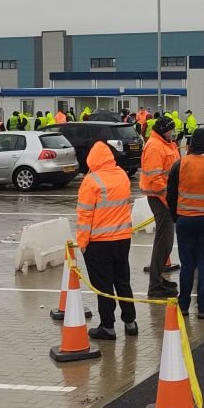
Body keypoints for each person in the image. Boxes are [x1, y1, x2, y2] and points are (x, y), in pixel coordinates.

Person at [76, 142, 138, 340]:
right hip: (122, 238)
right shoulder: (122, 175)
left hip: (99, 242)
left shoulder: (91, 181)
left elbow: (85, 215)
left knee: (104, 286)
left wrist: (82, 243)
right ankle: (131, 322)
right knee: (123, 282)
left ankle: (107, 326)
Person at [167, 127, 204, 319]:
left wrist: (176, 216)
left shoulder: (180, 164)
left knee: (187, 264)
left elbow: (171, 194)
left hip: (184, 219)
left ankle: (184, 305)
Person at [140, 115, 181, 299]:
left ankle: (158, 280)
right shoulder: (155, 147)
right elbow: (155, 179)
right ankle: (155, 286)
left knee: (165, 243)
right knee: (163, 243)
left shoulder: (167, 144)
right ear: (163, 131)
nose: (173, 133)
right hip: (160, 198)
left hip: (166, 198)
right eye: (170, 130)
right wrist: (169, 200)